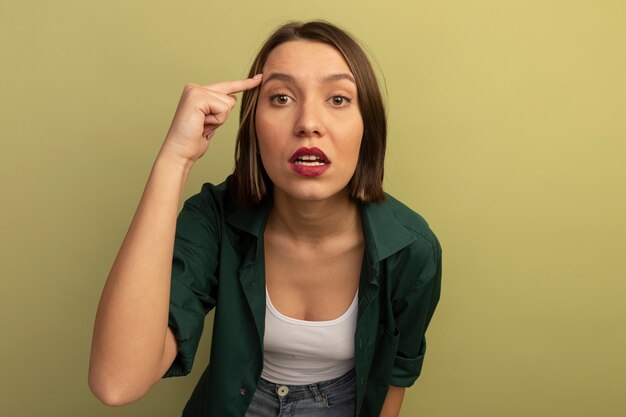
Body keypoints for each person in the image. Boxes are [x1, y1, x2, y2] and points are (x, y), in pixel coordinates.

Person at [88, 20, 442, 417]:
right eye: (282, 98)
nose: (308, 123)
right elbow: (116, 381)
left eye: (338, 99)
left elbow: (396, 373)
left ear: (368, 128)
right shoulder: (214, 220)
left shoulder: (412, 249)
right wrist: (175, 159)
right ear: (254, 127)